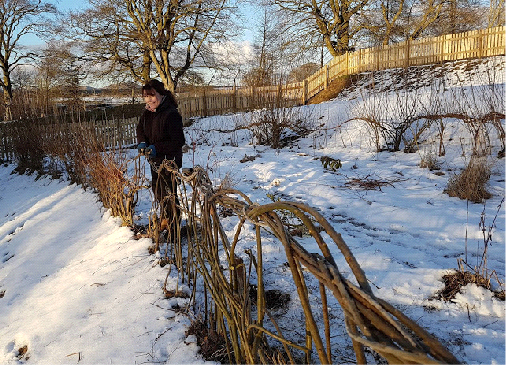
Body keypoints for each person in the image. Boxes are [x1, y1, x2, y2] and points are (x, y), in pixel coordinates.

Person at [136, 79, 185, 232]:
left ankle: (173, 225)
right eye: (146, 96)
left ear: (161, 94)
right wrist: (142, 142)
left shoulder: (171, 114)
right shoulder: (147, 113)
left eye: (152, 96)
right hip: (155, 160)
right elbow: (140, 129)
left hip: (170, 161)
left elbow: (178, 141)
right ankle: (165, 218)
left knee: (169, 193)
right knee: (158, 191)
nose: (149, 100)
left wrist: (156, 147)